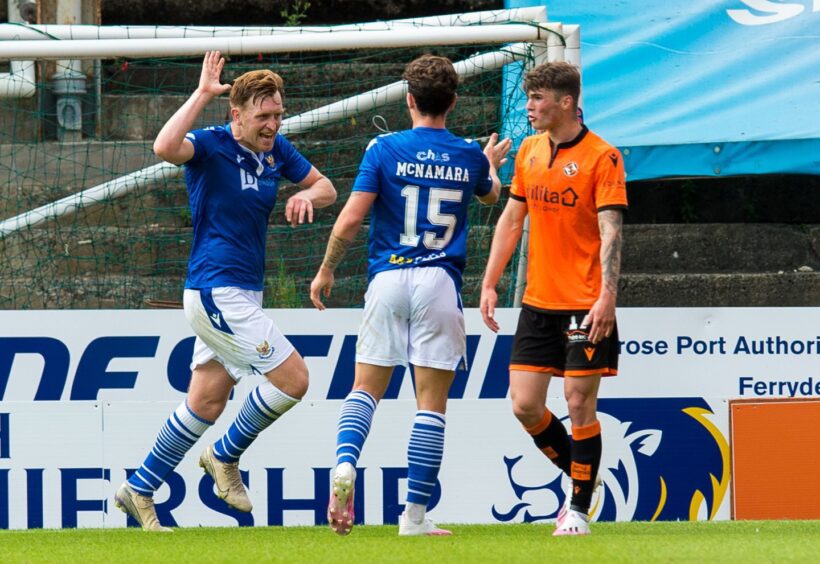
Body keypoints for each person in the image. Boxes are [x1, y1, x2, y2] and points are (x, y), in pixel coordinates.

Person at [114, 51, 336, 532]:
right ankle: (222, 455)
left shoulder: (278, 151)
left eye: (278, 114)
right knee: (294, 380)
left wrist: (304, 194)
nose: (273, 124)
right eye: (264, 115)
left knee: (206, 403)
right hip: (216, 291)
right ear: (236, 114)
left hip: (243, 294)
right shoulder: (212, 145)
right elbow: (163, 146)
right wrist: (201, 93)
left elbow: (327, 188)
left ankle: (138, 488)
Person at [309, 54, 511, 537]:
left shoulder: (383, 148)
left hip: (387, 280)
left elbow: (352, 219)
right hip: (439, 282)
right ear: (454, 102)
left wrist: (326, 269)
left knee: (364, 389)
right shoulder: (466, 153)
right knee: (430, 405)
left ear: (409, 100)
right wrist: (488, 164)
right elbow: (490, 196)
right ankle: (414, 518)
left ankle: (344, 463)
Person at [479, 61, 627, 536]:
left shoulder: (603, 157)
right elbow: (511, 220)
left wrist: (607, 295)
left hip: (586, 302)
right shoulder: (528, 150)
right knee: (524, 404)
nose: (529, 107)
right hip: (539, 302)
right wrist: (489, 280)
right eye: (529, 98)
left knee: (579, 403)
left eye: (538, 99)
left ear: (566, 102)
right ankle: (585, 478)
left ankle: (578, 510)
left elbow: (611, 232)